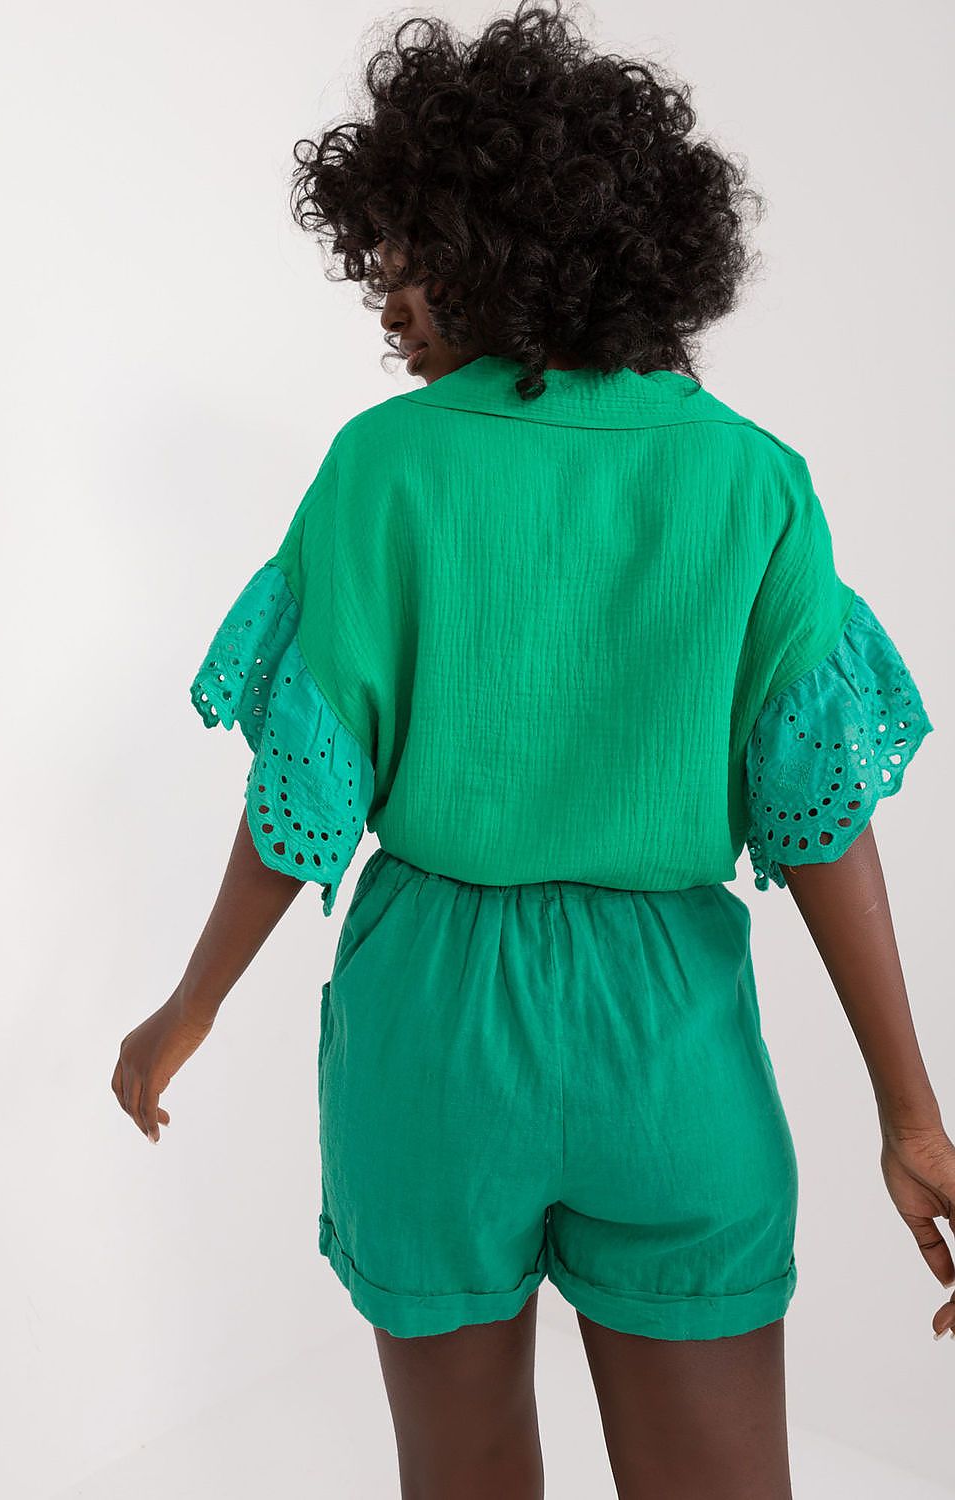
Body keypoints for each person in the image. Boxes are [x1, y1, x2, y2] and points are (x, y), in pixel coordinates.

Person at [111, 4, 954, 1496]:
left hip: (431, 1026)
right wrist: (910, 1109)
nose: (386, 292)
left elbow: (304, 796)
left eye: (410, 249)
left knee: (463, 1478)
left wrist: (191, 1004)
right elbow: (820, 815)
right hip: (672, 1039)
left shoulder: (385, 467)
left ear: (504, 245)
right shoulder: (754, 482)